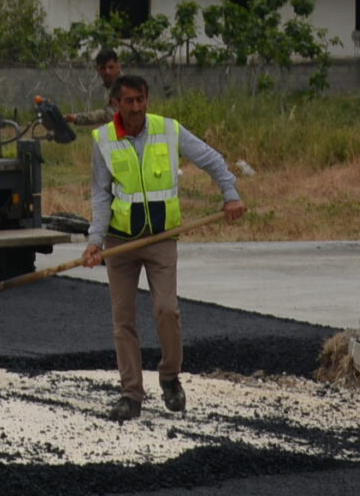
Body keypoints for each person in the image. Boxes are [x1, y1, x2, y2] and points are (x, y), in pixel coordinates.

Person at [80, 74, 244, 420]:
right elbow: (100, 193)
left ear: (147, 99)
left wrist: (230, 194)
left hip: (161, 240)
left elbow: (211, 158)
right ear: (115, 105)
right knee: (123, 320)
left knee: (166, 310)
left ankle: (170, 377)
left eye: (141, 100)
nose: (137, 107)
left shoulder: (167, 129)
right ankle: (131, 395)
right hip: (120, 243)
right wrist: (95, 241)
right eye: (129, 102)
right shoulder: (104, 140)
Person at [63, 48, 125, 127]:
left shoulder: (124, 86)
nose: (107, 72)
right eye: (103, 68)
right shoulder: (113, 86)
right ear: (98, 70)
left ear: (118, 67)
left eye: (111, 67)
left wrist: (77, 117)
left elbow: (110, 115)